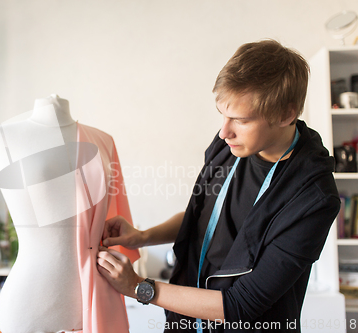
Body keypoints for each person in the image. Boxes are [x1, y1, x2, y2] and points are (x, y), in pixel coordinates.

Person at [96, 39, 340, 332]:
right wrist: (143, 237)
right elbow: (201, 218)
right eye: (222, 114)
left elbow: (241, 305)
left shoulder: (314, 198)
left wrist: (139, 288)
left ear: (286, 115)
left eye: (240, 119)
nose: (225, 131)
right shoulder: (231, 146)